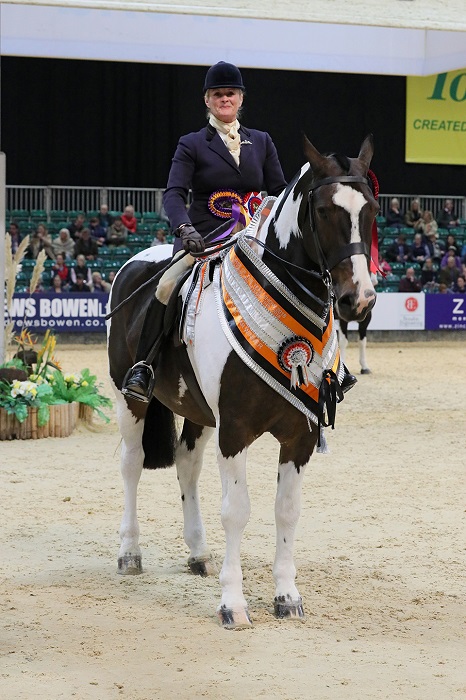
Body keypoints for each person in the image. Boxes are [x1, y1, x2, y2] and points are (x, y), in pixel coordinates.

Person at [122, 60, 287, 400]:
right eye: (217, 94)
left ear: (241, 98)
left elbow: (280, 192)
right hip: (204, 239)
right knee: (168, 284)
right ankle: (145, 366)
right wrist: (185, 229)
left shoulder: (262, 141)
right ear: (207, 100)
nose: (224, 99)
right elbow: (174, 193)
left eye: (230, 93)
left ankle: (319, 365)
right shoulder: (193, 143)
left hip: (253, 239)